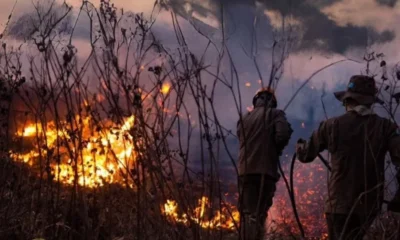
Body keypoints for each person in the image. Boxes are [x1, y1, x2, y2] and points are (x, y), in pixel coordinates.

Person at [295, 75, 400, 240]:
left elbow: (306, 156)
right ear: (370, 102)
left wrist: (299, 147)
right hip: (368, 206)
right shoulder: (385, 127)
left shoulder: (331, 126)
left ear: (347, 101)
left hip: (338, 205)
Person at [237, 87, 293, 239]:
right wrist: (275, 148)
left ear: (256, 101)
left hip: (244, 172)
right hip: (265, 171)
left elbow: (241, 139)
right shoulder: (276, 114)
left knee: (248, 213)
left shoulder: (244, 118)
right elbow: (282, 135)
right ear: (272, 102)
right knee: (259, 214)